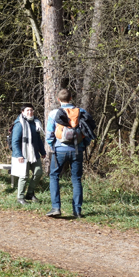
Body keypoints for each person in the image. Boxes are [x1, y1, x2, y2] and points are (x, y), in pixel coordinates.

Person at [46, 89, 94, 218]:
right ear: (71, 98)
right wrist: (84, 145)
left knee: (54, 176)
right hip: (77, 150)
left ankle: (56, 207)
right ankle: (77, 211)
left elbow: (50, 134)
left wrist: (53, 146)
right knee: (76, 179)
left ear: (58, 99)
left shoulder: (54, 113)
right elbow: (88, 131)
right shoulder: (81, 112)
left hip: (59, 150)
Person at [11, 103, 46, 205]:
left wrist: (42, 151)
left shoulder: (36, 122)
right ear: (23, 112)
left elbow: (38, 139)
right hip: (23, 154)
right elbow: (15, 141)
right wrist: (19, 155)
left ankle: (30, 193)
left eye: (31, 110)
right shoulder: (19, 124)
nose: (30, 112)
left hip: (34, 154)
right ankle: (20, 197)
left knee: (38, 172)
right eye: (28, 110)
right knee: (24, 176)